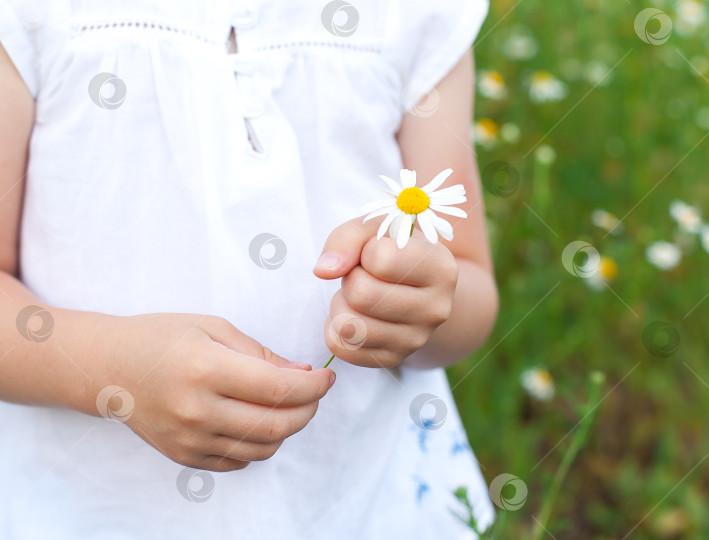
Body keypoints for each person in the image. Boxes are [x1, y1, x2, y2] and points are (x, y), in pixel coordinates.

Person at [0, 0, 498, 537]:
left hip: (359, 503)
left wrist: (418, 306)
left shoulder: (414, 14)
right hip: (93, 510)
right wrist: (113, 373)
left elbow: (467, 281)